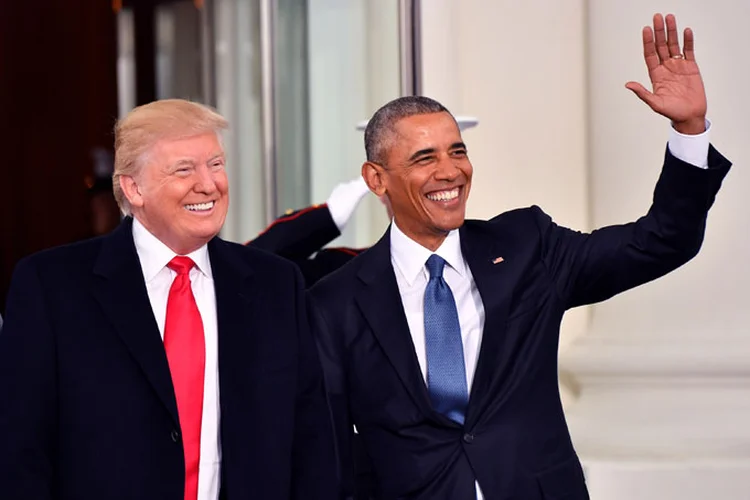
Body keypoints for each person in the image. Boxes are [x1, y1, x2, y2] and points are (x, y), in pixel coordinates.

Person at [309, 13, 731, 500]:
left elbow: (660, 241)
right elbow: (330, 452)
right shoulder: (335, 301)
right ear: (376, 179)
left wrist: (689, 129)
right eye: (425, 158)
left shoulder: (526, 246)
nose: (451, 172)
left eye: (458, 151)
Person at [0, 99, 338, 500]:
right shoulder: (51, 287)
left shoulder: (276, 284)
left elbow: (311, 439)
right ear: (134, 188)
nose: (209, 184)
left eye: (215, 164)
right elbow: (20, 450)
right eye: (184, 169)